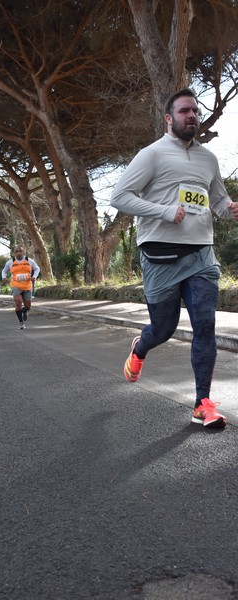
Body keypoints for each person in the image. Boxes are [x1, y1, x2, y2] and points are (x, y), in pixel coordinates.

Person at [110, 88, 238, 429]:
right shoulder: (151, 155)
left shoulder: (208, 159)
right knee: (164, 329)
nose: (191, 115)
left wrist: (229, 209)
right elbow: (119, 197)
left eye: (195, 110)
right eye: (183, 111)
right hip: (160, 255)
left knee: (205, 326)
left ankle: (202, 404)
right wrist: (164, 212)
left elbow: (218, 200)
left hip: (200, 255)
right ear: (169, 118)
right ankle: (141, 346)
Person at [2, 245, 40, 330]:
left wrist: (34, 277)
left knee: (28, 306)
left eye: (20, 251)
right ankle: (21, 323)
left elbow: (37, 269)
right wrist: (4, 277)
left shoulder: (29, 261)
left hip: (27, 286)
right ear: (14, 253)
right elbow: (4, 271)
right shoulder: (10, 262)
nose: (19, 253)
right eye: (17, 251)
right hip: (16, 285)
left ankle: (24, 310)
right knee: (18, 302)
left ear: (23, 252)